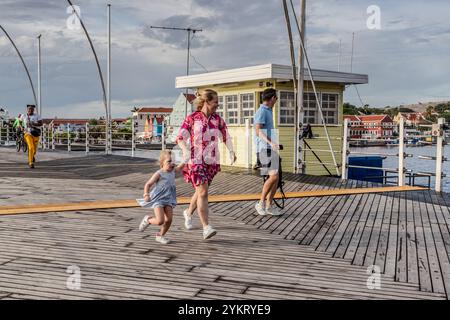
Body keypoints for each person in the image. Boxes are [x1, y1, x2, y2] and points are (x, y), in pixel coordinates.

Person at [176, 89, 236, 240]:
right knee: (203, 192)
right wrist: (184, 150)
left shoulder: (217, 119)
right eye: (216, 102)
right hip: (195, 160)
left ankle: (188, 213)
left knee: (200, 191)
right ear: (207, 102)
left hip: (211, 161)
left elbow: (226, 136)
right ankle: (206, 227)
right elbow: (180, 137)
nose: (218, 105)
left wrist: (231, 151)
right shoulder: (192, 118)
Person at [136, 150, 185, 245]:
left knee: (169, 220)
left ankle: (160, 235)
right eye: (169, 161)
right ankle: (148, 220)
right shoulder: (159, 173)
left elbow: (181, 166)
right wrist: (146, 194)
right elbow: (148, 184)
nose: (172, 163)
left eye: (173, 161)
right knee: (160, 221)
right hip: (158, 199)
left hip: (169, 199)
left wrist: (186, 157)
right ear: (162, 163)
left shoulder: (173, 171)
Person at [254, 88, 283, 216]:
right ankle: (260, 203)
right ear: (272, 98)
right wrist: (270, 142)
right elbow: (258, 131)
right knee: (273, 176)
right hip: (264, 149)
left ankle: (269, 205)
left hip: (271, 149)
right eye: (276, 98)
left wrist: (274, 144)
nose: (277, 100)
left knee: (276, 179)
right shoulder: (261, 111)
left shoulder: (269, 111)